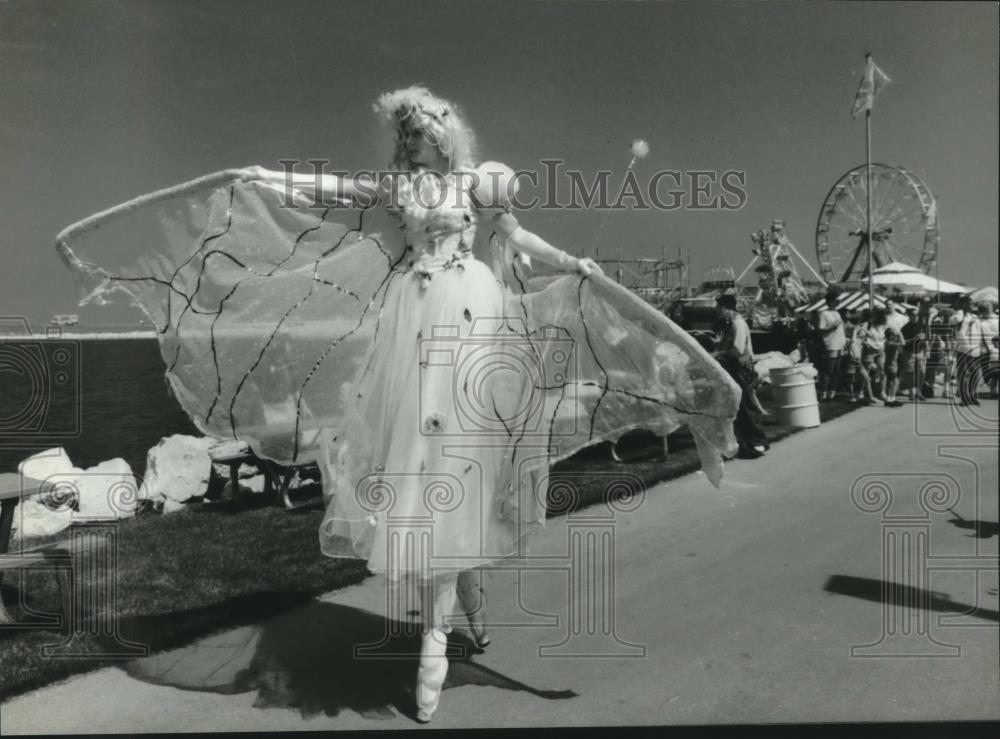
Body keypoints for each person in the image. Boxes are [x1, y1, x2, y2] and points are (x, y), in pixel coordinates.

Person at [714, 294, 768, 458]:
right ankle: (744, 442)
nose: (717, 311)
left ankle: (758, 441)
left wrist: (717, 353)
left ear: (725, 308)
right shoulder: (731, 324)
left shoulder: (738, 324)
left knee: (745, 405)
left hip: (741, 365)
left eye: (718, 308)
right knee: (736, 406)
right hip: (738, 365)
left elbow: (739, 351)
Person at [952, 295, 984, 406]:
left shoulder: (975, 316)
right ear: (964, 304)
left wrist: (982, 346)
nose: (972, 306)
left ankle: (972, 395)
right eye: (970, 304)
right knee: (963, 375)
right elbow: (955, 322)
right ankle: (964, 398)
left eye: (972, 304)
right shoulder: (957, 315)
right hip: (963, 349)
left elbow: (979, 331)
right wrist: (961, 311)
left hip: (975, 349)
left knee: (976, 374)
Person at [816, 292, 846, 401]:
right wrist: (832, 327)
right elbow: (821, 330)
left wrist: (844, 341)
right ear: (830, 302)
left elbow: (841, 330)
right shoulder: (824, 314)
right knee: (829, 370)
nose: (838, 303)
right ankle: (824, 392)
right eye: (836, 301)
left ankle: (832, 392)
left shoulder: (837, 313)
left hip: (840, 344)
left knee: (837, 370)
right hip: (831, 344)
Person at [900, 301, 930, 401]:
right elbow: (903, 342)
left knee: (922, 372)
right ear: (909, 316)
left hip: (920, 352)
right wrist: (914, 338)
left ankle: (919, 392)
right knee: (910, 374)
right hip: (909, 352)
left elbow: (925, 339)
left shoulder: (921, 326)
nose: (915, 317)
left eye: (917, 315)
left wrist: (927, 350)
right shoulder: (905, 328)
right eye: (913, 315)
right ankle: (910, 392)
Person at [861, 307, 888, 405]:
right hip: (869, 350)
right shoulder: (867, 324)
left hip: (881, 349)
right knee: (866, 373)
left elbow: (887, 335)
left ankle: (882, 392)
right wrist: (864, 342)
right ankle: (867, 395)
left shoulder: (884, 325)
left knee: (883, 370)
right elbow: (860, 335)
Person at [977, 301, 998, 399]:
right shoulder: (980, 320)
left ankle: (993, 390)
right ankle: (992, 388)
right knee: (989, 370)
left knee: (994, 371)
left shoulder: (996, 319)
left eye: (986, 309)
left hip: (993, 347)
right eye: (983, 310)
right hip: (986, 347)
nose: (985, 312)